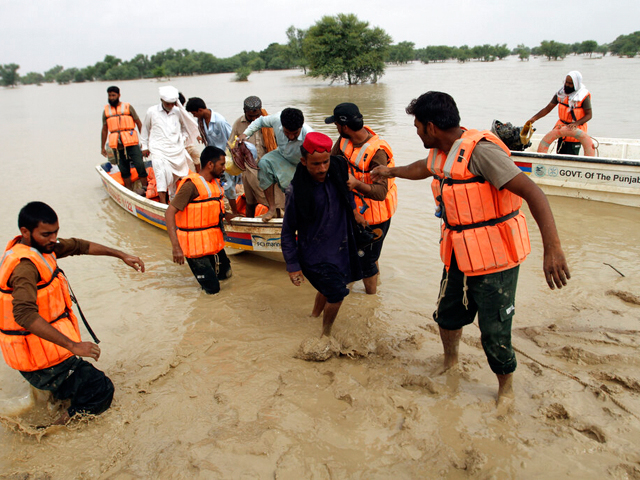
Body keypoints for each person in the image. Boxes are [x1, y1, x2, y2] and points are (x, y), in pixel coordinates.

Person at [372, 92, 570, 405]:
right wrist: (391, 172)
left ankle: (505, 390)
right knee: (447, 315)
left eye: (418, 127)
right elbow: (424, 167)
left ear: (432, 127)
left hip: (496, 258)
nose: (418, 132)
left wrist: (553, 249)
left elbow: (534, 194)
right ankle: (450, 363)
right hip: (458, 254)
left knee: (494, 330)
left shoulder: (483, 154)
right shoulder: (442, 151)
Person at [0, 202, 145, 425]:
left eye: (56, 232)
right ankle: (54, 428)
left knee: (77, 383)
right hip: (39, 357)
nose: (53, 238)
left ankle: (55, 395)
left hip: (44, 349)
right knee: (100, 388)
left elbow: (80, 246)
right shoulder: (25, 267)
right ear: (25, 232)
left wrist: (121, 255)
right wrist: (73, 346)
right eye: (47, 234)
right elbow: (24, 315)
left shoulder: (43, 248)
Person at [281, 132, 365, 338]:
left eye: (325, 162)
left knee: (331, 287)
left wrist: (354, 211)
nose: (322, 169)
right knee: (336, 295)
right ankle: (325, 336)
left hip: (340, 247)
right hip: (314, 254)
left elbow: (347, 193)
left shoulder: (337, 169)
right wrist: (293, 266)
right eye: (315, 164)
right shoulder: (297, 191)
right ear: (303, 161)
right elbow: (287, 231)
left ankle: (314, 315)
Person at [326, 102, 397, 295]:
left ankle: (371, 300)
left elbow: (381, 193)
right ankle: (369, 281)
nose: (336, 128)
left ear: (345, 126)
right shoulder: (342, 141)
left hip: (376, 217)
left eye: (336, 125)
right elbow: (332, 165)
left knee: (367, 259)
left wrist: (356, 184)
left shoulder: (377, 152)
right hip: (354, 211)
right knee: (365, 255)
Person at [165, 146, 234, 295]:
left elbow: (210, 207)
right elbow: (169, 213)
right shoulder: (191, 186)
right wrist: (176, 247)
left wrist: (226, 214)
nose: (224, 168)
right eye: (222, 164)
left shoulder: (215, 183)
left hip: (212, 243)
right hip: (195, 248)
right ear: (210, 164)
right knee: (213, 291)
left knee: (227, 276)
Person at [238, 108, 313, 222]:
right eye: (287, 133)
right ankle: (272, 208)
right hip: (282, 154)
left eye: (295, 134)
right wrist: (245, 134)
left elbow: (318, 159)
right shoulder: (276, 119)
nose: (291, 137)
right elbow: (260, 122)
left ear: (301, 127)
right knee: (264, 163)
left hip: (301, 162)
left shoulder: (309, 135)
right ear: (281, 125)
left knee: (295, 191)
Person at [140, 86, 199, 204]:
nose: (171, 106)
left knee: (178, 176)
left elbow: (185, 128)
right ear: (162, 100)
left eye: (173, 103)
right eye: (168, 103)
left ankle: (174, 200)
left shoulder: (178, 112)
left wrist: (182, 138)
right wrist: (145, 146)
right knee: (161, 175)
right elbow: (145, 129)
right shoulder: (152, 111)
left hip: (176, 149)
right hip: (158, 149)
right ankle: (162, 203)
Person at [229, 96, 284, 217]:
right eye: (251, 116)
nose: (254, 119)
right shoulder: (239, 124)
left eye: (257, 116)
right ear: (245, 111)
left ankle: (278, 221)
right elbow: (231, 145)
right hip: (249, 168)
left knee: (276, 199)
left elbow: (280, 144)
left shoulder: (270, 122)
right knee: (250, 201)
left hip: (270, 167)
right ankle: (249, 224)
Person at [185, 97, 239, 213]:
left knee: (228, 185)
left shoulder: (220, 121)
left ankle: (234, 211)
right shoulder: (202, 121)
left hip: (224, 157)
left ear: (200, 110)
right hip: (211, 156)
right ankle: (217, 207)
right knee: (213, 181)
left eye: (194, 113)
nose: (194, 116)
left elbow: (231, 138)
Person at [527, 71, 592, 155]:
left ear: (576, 84)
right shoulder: (561, 93)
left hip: (575, 130)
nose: (567, 85)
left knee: (571, 155)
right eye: (566, 82)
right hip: (562, 129)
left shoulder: (583, 96)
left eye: (570, 83)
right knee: (560, 152)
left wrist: (576, 123)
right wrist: (534, 118)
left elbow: (589, 115)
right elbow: (548, 108)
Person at [101, 86, 148, 194]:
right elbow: (104, 130)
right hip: (117, 146)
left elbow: (139, 123)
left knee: (140, 165)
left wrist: (144, 142)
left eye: (114, 95)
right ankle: (129, 191)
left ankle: (145, 188)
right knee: (123, 169)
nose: (111, 97)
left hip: (131, 142)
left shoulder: (128, 107)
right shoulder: (106, 111)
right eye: (109, 95)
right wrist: (102, 147)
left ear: (119, 95)